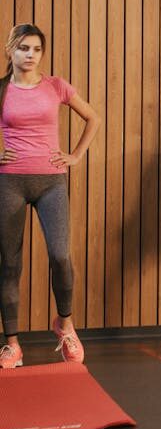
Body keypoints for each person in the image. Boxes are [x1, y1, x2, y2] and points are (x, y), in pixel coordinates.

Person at [0, 24, 100, 368]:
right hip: (10, 182)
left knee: (60, 256)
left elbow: (93, 117)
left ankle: (65, 325)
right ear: (10, 50)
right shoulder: (2, 89)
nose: (30, 55)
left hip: (51, 182)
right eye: (24, 48)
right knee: (10, 263)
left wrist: (76, 155)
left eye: (36, 49)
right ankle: (12, 345)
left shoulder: (56, 86)